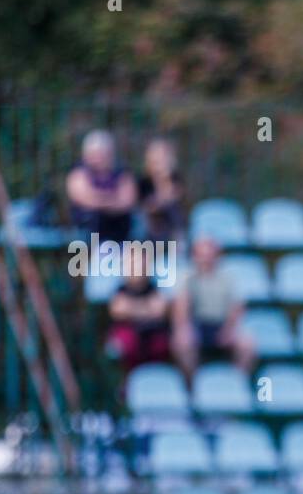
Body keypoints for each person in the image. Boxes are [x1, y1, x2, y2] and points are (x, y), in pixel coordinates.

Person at [170, 236, 255, 380]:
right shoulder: (186, 277)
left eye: (209, 255)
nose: (205, 259)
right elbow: (180, 309)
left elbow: (237, 307)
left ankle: (238, 382)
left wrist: (228, 330)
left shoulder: (229, 278)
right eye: (201, 255)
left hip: (222, 324)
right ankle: (193, 385)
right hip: (197, 325)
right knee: (182, 341)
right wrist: (185, 328)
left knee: (247, 344)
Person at [66, 130, 137, 245]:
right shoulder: (78, 172)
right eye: (94, 154)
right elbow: (85, 199)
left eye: (102, 154)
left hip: (121, 230)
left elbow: (127, 201)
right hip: (88, 231)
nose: (97, 158)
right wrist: (113, 200)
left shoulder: (122, 172)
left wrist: (99, 200)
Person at [107, 244, 171, 373]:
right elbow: (117, 311)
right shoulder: (120, 289)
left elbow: (160, 311)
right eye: (132, 264)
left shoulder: (154, 286)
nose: (137, 268)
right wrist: (146, 308)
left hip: (154, 333)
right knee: (126, 343)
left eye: (141, 263)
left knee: (161, 344)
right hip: (129, 336)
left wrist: (131, 309)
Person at [137, 137, 186, 243]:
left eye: (163, 156)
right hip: (149, 230)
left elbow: (174, 200)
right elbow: (151, 207)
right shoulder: (143, 182)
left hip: (172, 228)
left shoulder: (175, 178)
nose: (160, 161)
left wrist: (165, 179)